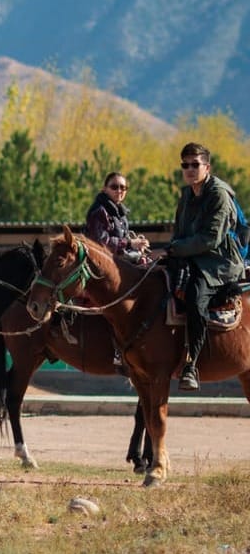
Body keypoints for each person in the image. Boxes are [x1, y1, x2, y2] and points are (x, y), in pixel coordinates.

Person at [148, 143, 244, 390]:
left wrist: (171, 250)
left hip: (218, 263)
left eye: (195, 164)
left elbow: (210, 239)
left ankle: (191, 364)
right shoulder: (187, 194)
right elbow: (180, 232)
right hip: (190, 257)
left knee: (195, 295)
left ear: (207, 167)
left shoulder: (219, 194)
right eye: (185, 165)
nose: (189, 169)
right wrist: (166, 254)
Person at [85, 171, 149, 262]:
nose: (119, 191)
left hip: (118, 262)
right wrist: (130, 243)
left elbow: (124, 241)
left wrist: (138, 246)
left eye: (123, 187)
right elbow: (101, 242)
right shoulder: (99, 211)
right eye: (114, 187)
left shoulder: (120, 213)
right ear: (104, 189)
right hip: (102, 266)